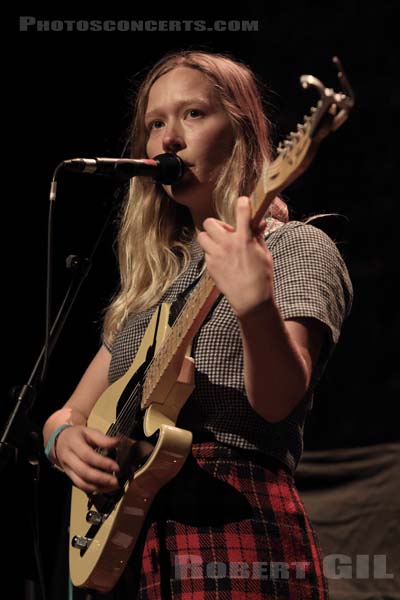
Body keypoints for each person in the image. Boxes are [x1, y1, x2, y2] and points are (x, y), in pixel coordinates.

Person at [43, 50, 353, 599]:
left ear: (240, 130)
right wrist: (61, 438)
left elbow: (281, 400)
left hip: (235, 524)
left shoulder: (296, 246)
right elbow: (69, 410)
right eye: (154, 123)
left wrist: (254, 302)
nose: (168, 139)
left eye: (193, 114)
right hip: (131, 553)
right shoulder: (150, 290)